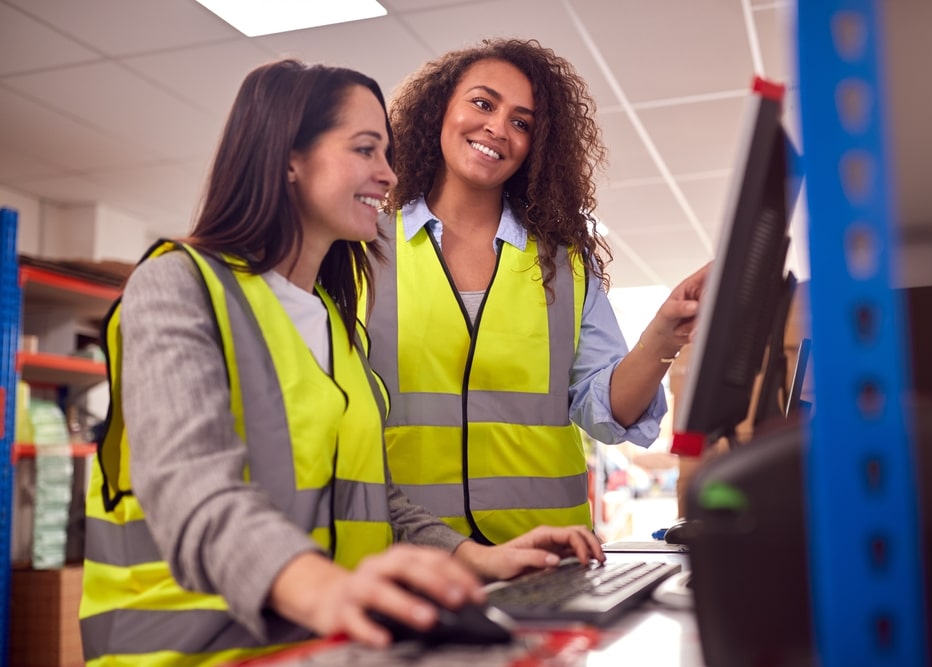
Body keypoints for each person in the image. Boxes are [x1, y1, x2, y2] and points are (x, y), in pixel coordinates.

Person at [79, 58, 603, 667]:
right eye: (365, 149)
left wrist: (480, 558)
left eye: (385, 151)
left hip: (320, 649)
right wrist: (331, 591)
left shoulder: (335, 323)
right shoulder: (178, 287)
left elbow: (375, 500)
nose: (388, 172)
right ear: (289, 159)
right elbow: (193, 493)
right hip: (187, 654)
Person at [367, 38, 710, 546]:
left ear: (537, 145)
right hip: (408, 559)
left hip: (549, 554)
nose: (497, 128)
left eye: (522, 122)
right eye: (483, 103)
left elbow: (606, 412)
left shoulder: (564, 263)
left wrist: (662, 338)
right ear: (441, 110)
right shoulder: (363, 249)